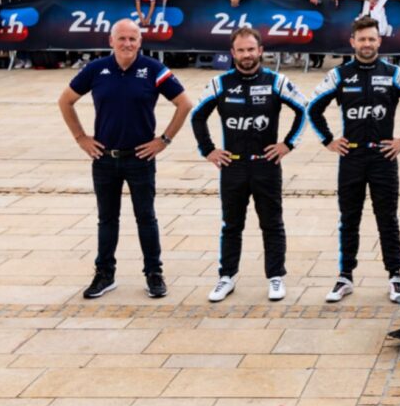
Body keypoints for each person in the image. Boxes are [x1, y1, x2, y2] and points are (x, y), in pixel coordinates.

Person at [57, 19, 193, 299]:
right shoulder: (96, 69)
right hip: (104, 159)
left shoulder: (153, 69)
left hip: (139, 158)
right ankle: (104, 273)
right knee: (107, 219)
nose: (127, 44)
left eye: (133, 39)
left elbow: (184, 104)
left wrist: (164, 140)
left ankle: (154, 273)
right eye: (122, 38)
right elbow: (65, 101)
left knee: (146, 217)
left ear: (140, 42)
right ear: (111, 41)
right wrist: (81, 138)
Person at [307, 17, 400, 303]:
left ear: (379, 41)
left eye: (371, 39)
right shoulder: (339, 75)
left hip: (383, 157)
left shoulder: (394, 73)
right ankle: (345, 276)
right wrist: (328, 140)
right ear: (352, 42)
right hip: (351, 157)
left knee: (387, 218)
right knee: (349, 218)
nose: (367, 44)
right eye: (361, 39)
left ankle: (395, 275)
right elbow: (313, 108)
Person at [191, 28, 307, 303]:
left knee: (272, 224)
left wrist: (288, 144)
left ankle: (276, 276)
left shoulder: (276, 81)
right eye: (241, 50)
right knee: (231, 225)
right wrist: (208, 150)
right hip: (232, 167)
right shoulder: (220, 83)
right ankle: (226, 276)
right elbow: (197, 116)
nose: (246, 55)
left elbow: (304, 109)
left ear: (260, 50)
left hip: (266, 165)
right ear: (233, 53)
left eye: (250, 49)